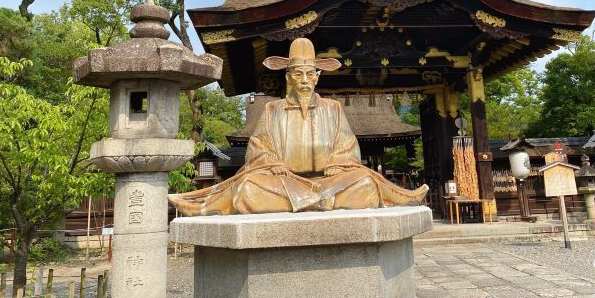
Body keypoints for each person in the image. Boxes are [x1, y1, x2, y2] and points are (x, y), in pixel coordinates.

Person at [169, 38, 428, 215]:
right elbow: (258, 149)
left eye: (310, 74)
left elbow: (347, 148)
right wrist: (271, 162)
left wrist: (339, 162)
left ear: (317, 78)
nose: (304, 80)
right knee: (248, 188)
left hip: (331, 182)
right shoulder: (272, 110)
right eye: (298, 74)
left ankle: (312, 201)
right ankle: (320, 203)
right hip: (285, 183)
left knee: (365, 183)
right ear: (288, 77)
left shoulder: (332, 109)